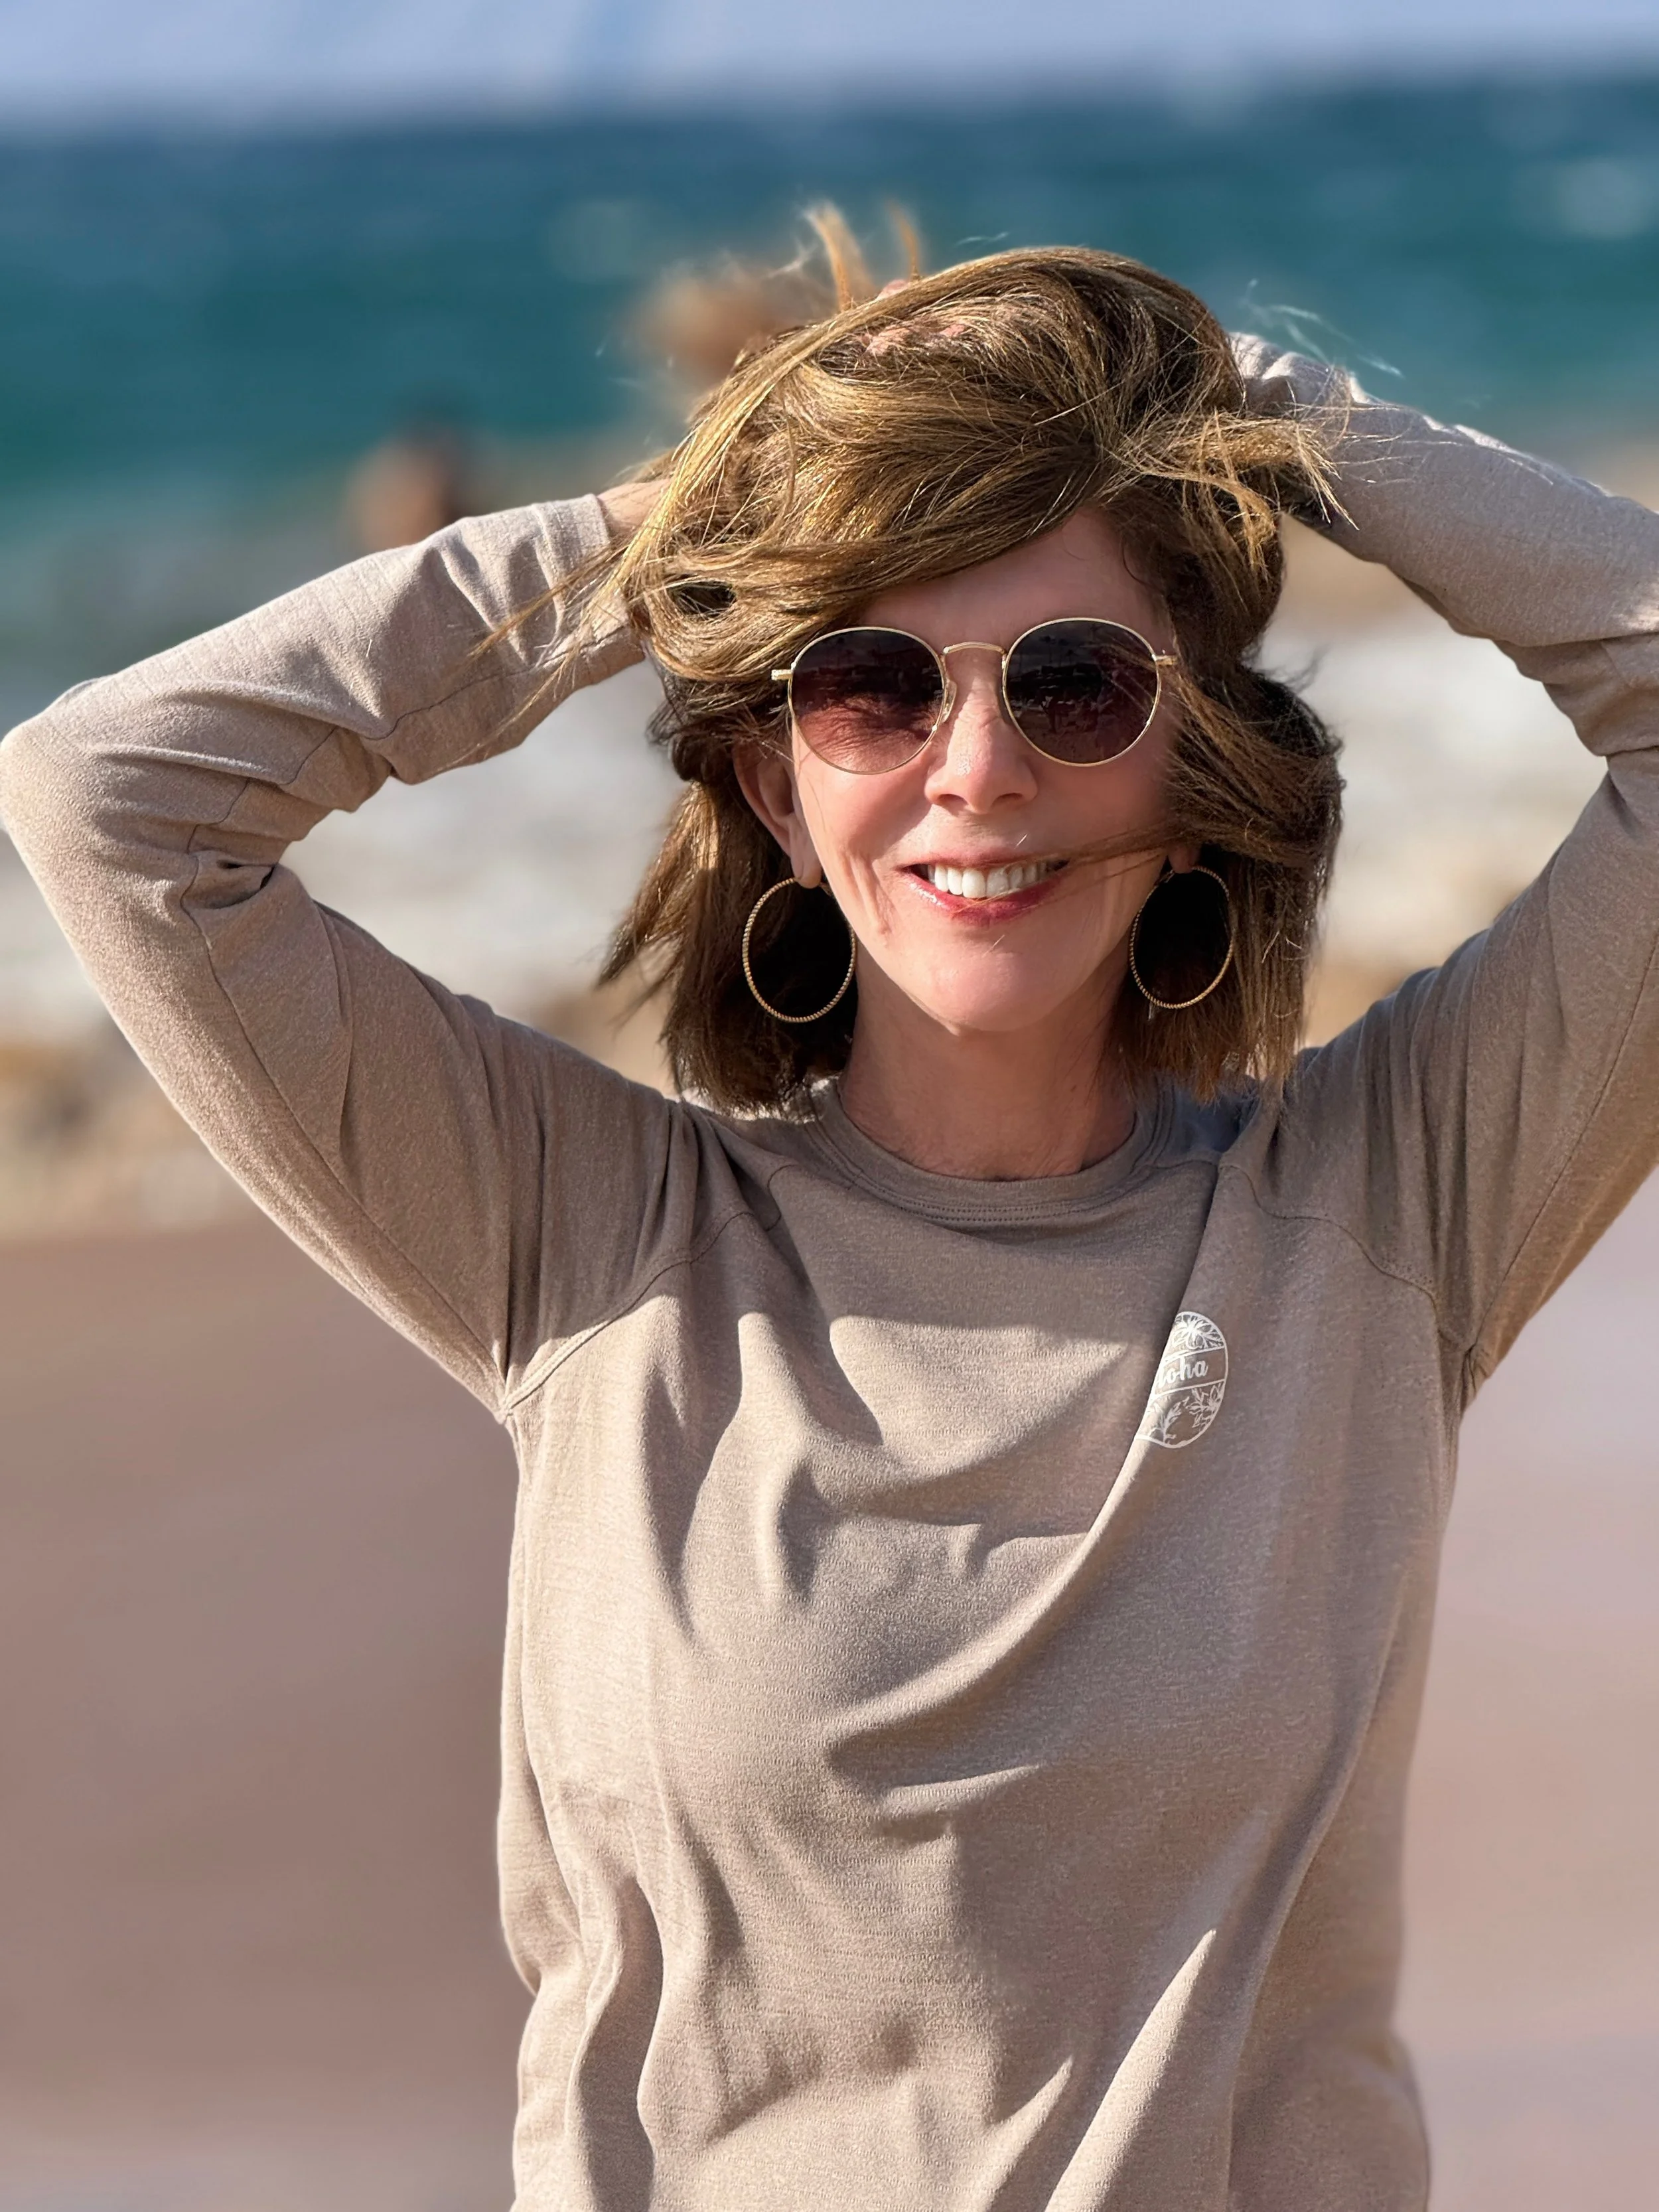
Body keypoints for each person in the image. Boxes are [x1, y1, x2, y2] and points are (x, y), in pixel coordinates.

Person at [4, 234, 1656, 2212]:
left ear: (1188, 768)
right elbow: (114, 799)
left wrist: (1267, 420)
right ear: (780, 789)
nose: (978, 768)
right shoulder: (589, 1245)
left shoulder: (1387, 1219)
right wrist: (695, 526)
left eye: (1075, 684)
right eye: (869, 684)